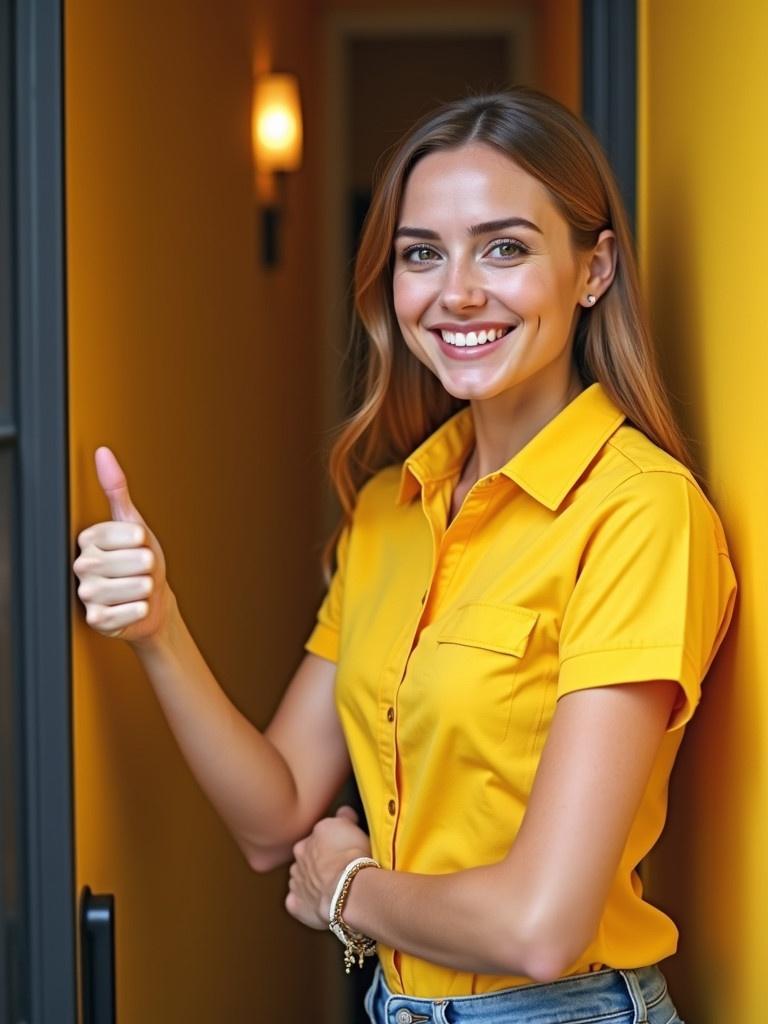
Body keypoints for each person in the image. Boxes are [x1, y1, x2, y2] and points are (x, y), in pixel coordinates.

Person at [73, 88, 737, 1024]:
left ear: (593, 270)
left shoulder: (640, 514)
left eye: (504, 247)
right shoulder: (390, 509)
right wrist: (158, 625)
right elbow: (277, 819)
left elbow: (541, 926)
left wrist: (350, 890)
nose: (457, 291)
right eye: (423, 253)